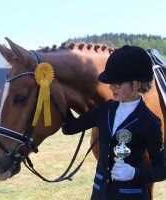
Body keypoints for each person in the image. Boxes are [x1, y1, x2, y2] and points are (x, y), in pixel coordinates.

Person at [62, 45, 166, 200]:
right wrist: (59, 95)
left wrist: (134, 173)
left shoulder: (150, 122)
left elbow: (161, 170)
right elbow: (69, 128)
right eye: (111, 82)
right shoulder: (104, 110)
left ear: (136, 84)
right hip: (99, 194)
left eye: (117, 83)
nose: (111, 87)